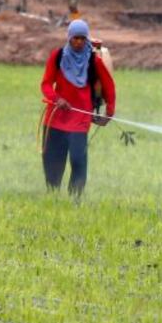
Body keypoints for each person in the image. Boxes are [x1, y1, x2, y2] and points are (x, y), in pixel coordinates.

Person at [39, 19, 116, 196]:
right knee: (52, 161)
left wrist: (109, 113)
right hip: (56, 118)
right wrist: (56, 98)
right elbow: (46, 84)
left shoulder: (94, 62)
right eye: (75, 38)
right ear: (69, 38)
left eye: (82, 38)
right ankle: (53, 196)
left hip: (80, 121)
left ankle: (75, 199)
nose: (79, 42)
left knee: (78, 160)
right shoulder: (57, 57)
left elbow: (109, 87)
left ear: (87, 39)